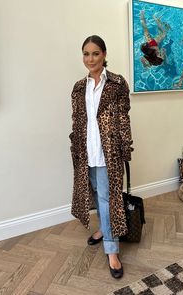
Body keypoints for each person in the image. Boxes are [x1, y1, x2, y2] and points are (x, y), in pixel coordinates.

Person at [69, 35, 133, 279]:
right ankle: (103, 230)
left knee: (107, 199)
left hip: (108, 152)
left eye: (95, 53)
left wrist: (125, 147)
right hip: (85, 151)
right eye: (86, 53)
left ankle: (112, 249)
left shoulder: (117, 84)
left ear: (104, 54)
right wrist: (75, 146)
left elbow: (124, 118)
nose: (90, 58)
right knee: (94, 195)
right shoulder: (78, 87)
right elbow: (77, 120)